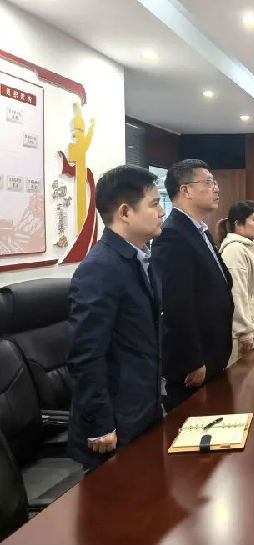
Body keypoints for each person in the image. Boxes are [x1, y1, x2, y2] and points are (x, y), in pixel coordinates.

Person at [67, 165, 165, 468]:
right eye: (154, 204)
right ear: (125, 212)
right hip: (115, 423)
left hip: (143, 408)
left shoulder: (139, 257)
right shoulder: (100, 268)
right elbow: (86, 354)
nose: (162, 212)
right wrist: (100, 423)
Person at [152, 159, 234, 410]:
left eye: (214, 182)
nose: (216, 188)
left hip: (214, 354)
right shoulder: (172, 235)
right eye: (208, 182)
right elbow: (177, 305)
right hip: (196, 365)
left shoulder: (200, 231)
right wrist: (193, 360)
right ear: (185, 190)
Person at [217, 201, 254, 366]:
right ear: (238, 223)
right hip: (247, 336)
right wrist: (244, 331)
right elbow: (237, 293)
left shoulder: (251, 247)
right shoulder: (235, 249)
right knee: (247, 381)